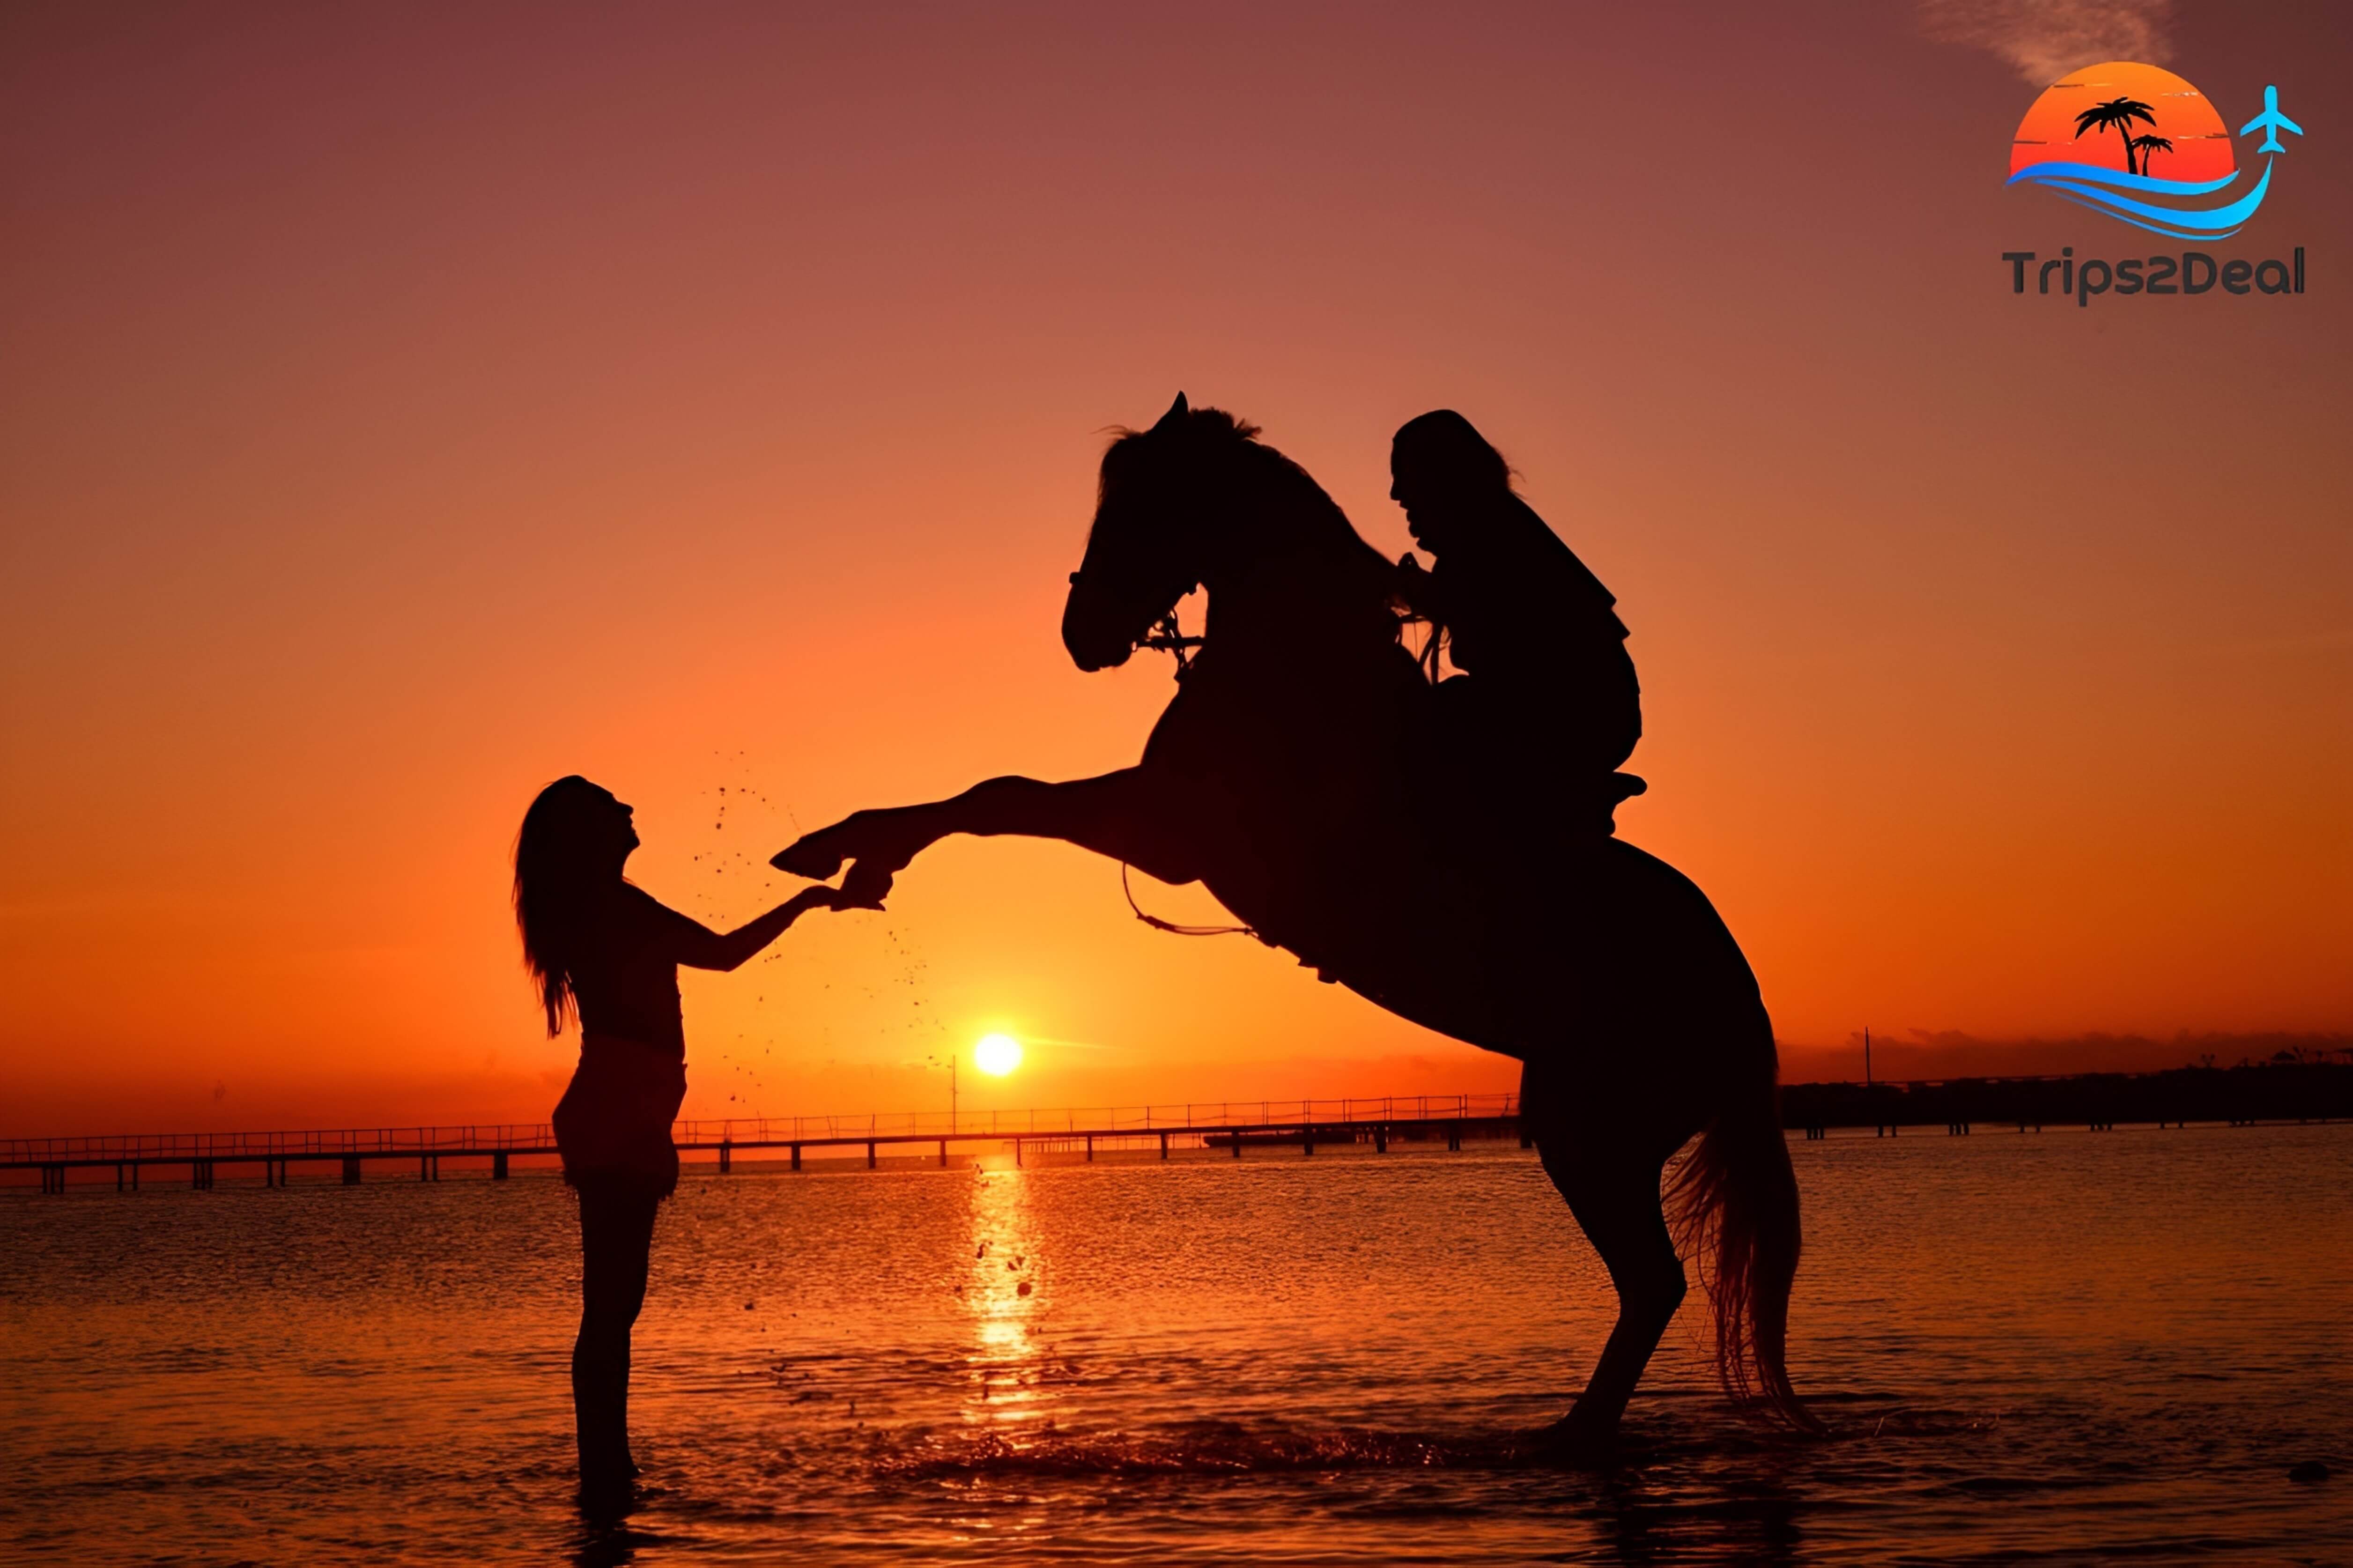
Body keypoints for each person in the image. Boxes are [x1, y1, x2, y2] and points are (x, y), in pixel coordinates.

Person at [512, 775, 847, 1499]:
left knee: (614, 1307)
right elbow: (724, 955)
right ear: (590, 833)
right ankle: (603, 1469)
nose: (632, 809)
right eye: (613, 807)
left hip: (621, 1109)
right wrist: (808, 902)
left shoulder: (602, 905)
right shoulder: (614, 907)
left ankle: (609, 1468)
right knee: (611, 1307)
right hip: (620, 1112)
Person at [1388, 410, 1643, 841]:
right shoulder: (1496, 532)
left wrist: (1412, 591)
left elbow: (1492, 612)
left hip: (1568, 717)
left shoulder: (1490, 537)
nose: (1396, 494)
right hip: (1569, 711)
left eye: (1406, 477)